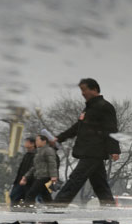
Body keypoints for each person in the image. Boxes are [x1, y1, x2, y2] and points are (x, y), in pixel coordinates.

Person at [51, 78, 121, 207]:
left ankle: (57, 205)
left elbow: (111, 129)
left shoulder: (105, 107)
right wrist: (60, 138)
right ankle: (109, 208)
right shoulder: (88, 109)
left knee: (75, 179)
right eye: (81, 90)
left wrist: (114, 149)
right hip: (89, 150)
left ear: (94, 89)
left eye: (84, 90)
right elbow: (77, 127)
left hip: (94, 150)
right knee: (100, 185)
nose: (82, 93)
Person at [20, 135, 59, 208]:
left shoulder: (48, 150)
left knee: (31, 193)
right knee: (45, 195)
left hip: (44, 175)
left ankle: (28, 208)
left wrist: (54, 175)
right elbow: (35, 166)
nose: (36, 142)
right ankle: (52, 209)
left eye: (37, 140)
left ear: (44, 141)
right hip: (39, 175)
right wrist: (26, 176)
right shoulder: (39, 151)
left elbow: (52, 163)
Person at [10, 138, 38, 207]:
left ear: (32, 144)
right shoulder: (27, 154)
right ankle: (17, 210)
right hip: (20, 180)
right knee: (14, 196)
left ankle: (27, 212)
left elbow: (33, 168)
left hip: (28, 181)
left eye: (27, 142)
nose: (25, 143)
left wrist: (26, 178)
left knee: (27, 198)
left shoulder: (35, 155)